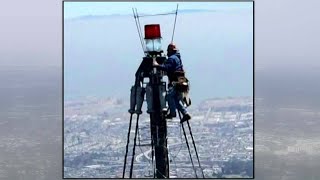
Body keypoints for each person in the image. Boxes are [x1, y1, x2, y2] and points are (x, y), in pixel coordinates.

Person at [153, 43, 191, 123]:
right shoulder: (177, 58)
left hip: (175, 82)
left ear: (170, 51)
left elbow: (168, 68)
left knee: (169, 96)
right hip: (180, 82)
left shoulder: (172, 59)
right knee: (176, 99)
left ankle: (172, 113)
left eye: (168, 51)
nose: (167, 53)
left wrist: (157, 65)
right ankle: (185, 113)